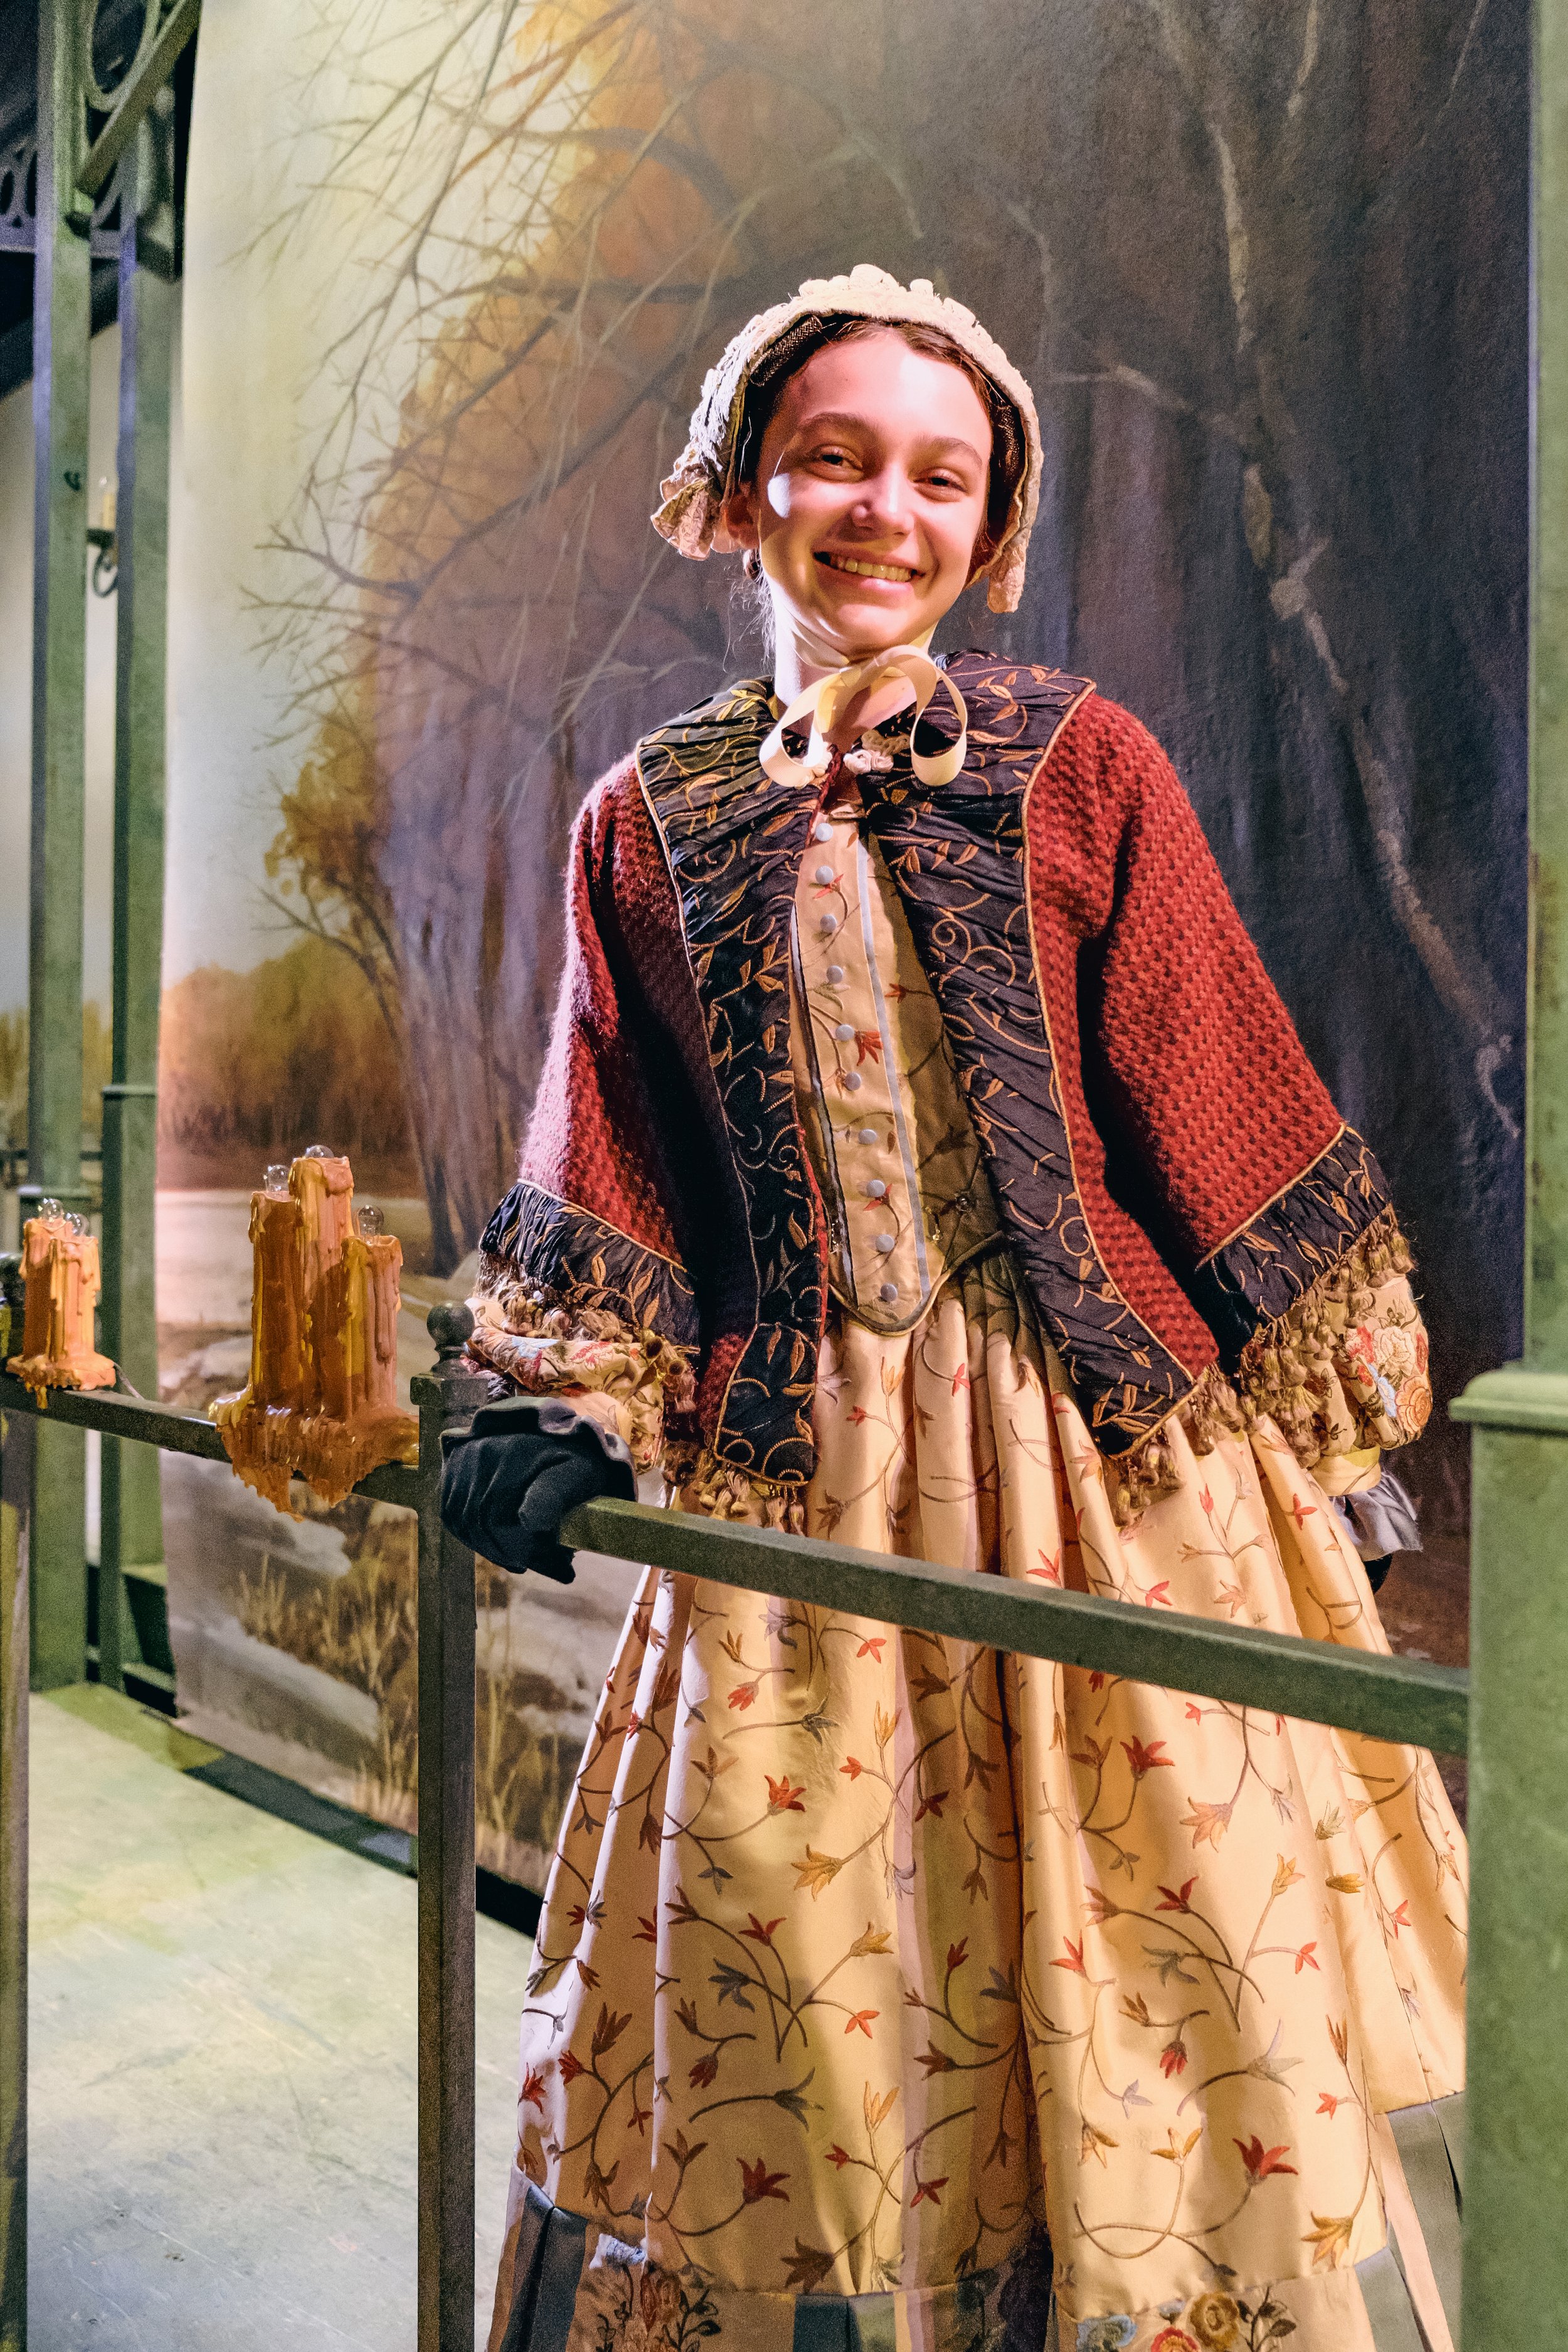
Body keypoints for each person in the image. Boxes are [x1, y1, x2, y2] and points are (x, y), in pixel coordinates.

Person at [443, 265, 1464, 2352]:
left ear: (988, 528)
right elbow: (613, 1131)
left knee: (1165, 1969)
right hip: (791, 1488)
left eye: (939, 476)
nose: (881, 512)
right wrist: (546, 1396)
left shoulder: (1079, 760)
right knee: (805, 1960)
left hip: (1096, 1464)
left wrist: (1315, 1408)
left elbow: (1206, 1066)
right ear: (741, 492)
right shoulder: (643, 818)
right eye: (832, 457)